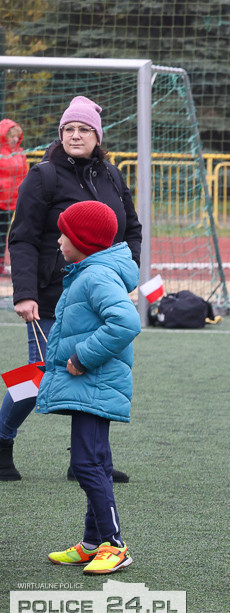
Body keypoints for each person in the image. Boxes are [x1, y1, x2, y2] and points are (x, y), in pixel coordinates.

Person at [1, 96, 141, 483]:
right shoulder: (43, 175)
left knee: (94, 374)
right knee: (39, 375)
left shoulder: (111, 175)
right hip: (50, 297)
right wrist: (24, 292)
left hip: (98, 294)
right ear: (60, 134)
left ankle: (89, 459)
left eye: (83, 130)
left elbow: (131, 231)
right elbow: (23, 238)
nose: (75, 136)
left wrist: (126, 278)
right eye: (68, 129)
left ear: (98, 136)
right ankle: (1, 440)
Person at [39, 201, 141, 574]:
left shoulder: (96, 276)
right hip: (91, 387)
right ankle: (91, 543)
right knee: (94, 461)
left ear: (85, 240)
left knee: (86, 463)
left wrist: (82, 358)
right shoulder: (87, 271)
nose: (60, 239)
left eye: (65, 233)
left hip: (94, 383)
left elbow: (126, 321)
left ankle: (115, 545)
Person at [1, 118, 28, 273]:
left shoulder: (20, 153)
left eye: (17, 136)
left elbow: (24, 175)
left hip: (13, 201)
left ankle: (4, 264)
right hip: (1, 200)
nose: (15, 139)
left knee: (8, 233)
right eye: (12, 136)